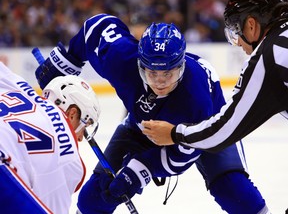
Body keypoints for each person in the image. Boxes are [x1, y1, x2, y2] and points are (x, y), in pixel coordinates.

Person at [34, 14, 269, 214]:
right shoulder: (121, 60)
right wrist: (65, 64)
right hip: (141, 125)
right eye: (151, 73)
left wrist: (138, 171)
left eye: (168, 74)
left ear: (182, 66)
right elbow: (96, 27)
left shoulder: (195, 98)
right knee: (94, 197)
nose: (159, 82)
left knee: (234, 191)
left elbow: (184, 155)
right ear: (139, 64)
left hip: (205, 129)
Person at [141, 0, 288, 151]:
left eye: (236, 31)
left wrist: (174, 134)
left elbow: (224, 129)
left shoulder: (268, 57)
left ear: (251, 25)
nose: (237, 42)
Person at [0, 61, 100, 214]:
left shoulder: (22, 87)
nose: (80, 138)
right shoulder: (70, 159)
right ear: (72, 114)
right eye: (84, 125)